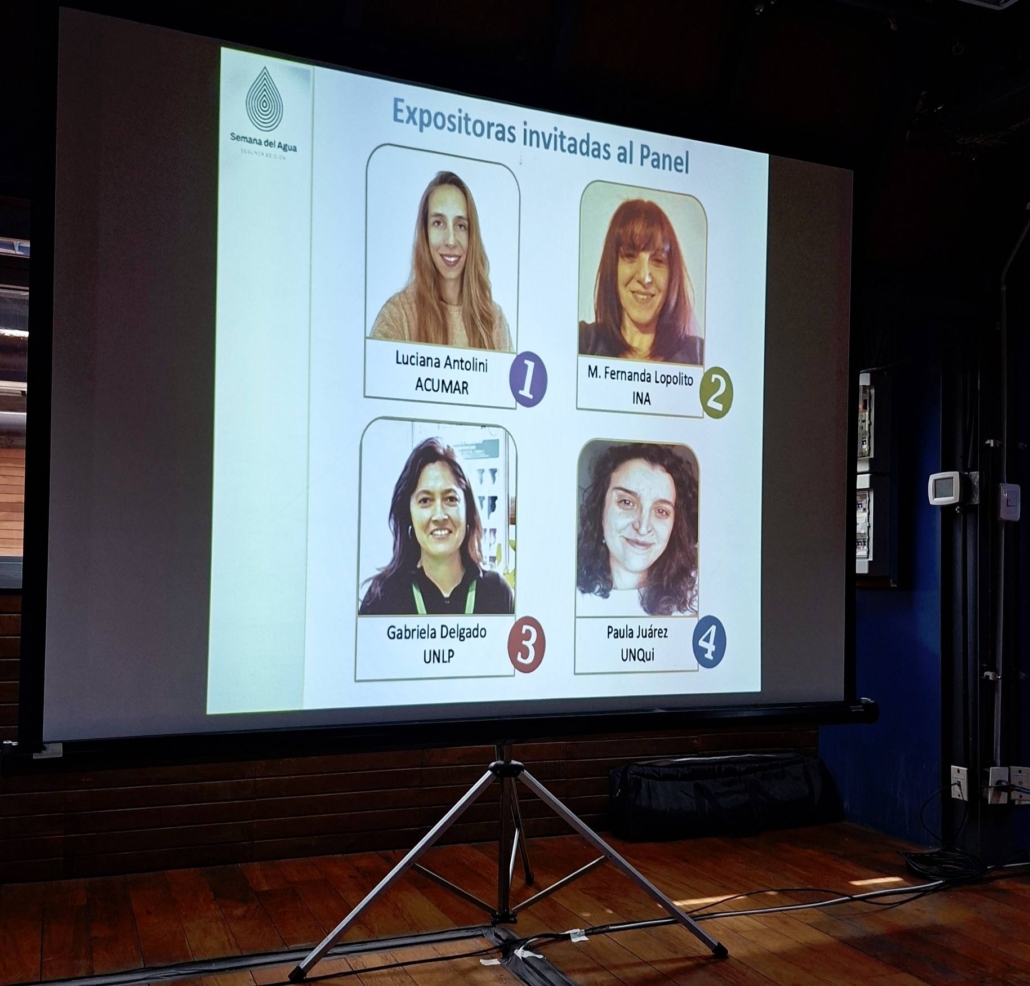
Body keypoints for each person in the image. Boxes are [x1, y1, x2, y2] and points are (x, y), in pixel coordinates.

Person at [359, 437, 514, 616]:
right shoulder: (383, 597)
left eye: (451, 499)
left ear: (468, 510)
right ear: (408, 514)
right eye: (425, 501)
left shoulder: (497, 593)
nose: (439, 515)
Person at [370, 172, 513, 352]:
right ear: (425, 233)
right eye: (438, 223)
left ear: (472, 236)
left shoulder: (495, 322)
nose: (451, 241)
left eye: (461, 226)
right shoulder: (397, 316)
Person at [577, 442, 698, 617]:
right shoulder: (567, 596)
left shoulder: (697, 600)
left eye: (661, 511)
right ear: (600, 509)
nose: (642, 527)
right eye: (626, 502)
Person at [579, 199, 703, 365]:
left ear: (672, 276)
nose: (644, 277)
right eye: (630, 256)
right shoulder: (583, 342)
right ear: (612, 266)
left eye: (658, 260)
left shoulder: (698, 355)